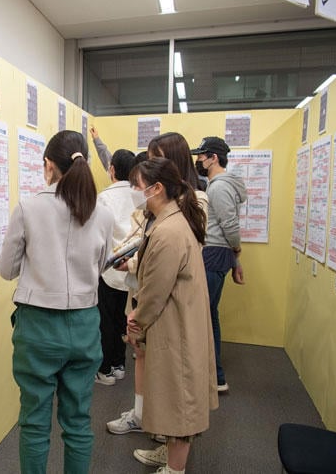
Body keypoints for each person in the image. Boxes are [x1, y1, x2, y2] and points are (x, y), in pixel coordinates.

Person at [0, 130, 114, 474]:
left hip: (37, 326)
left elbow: (6, 270)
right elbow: (103, 266)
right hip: (84, 324)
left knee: (34, 422)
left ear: (49, 164)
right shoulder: (102, 213)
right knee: (78, 422)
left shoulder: (28, 207)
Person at [107, 133, 208, 448]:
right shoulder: (159, 209)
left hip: (165, 300)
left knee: (172, 374)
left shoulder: (188, 206)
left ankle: (169, 442)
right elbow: (147, 243)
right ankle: (145, 417)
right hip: (146, 292)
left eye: (156, 158)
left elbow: (168, 258)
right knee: (147, 361)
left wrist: (136, 268)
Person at [125, 157, 218, 474]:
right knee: (171, 393)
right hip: (175, 319)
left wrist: (136, 320)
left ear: (157, 188)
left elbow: (155, 290)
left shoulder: (168, 231)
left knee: (179, 396)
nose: (134, 192)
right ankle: (170, 455)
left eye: (137, 186)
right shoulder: (171, 221)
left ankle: (175, 468)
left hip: (174, 324)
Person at [191, 136, 248, 392]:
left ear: (213, 158)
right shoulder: (218, 185)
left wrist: (236, 250)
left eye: (201, 156)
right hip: (219, 254)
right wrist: (234, 258)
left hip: (213, 254)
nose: (198, 160)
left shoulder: (219, 187)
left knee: (202, 316)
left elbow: (229, 225)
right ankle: (215, 375)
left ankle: (213, 376)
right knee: (209, 314)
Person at [95, 149, 137, 386]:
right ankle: (120, 364)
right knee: (124, 318)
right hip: (132, 268)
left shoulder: (104, 197)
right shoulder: (139, 194)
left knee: (106, 321)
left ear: (112, 169)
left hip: (110, 269)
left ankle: (106, 369)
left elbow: (98, 234)